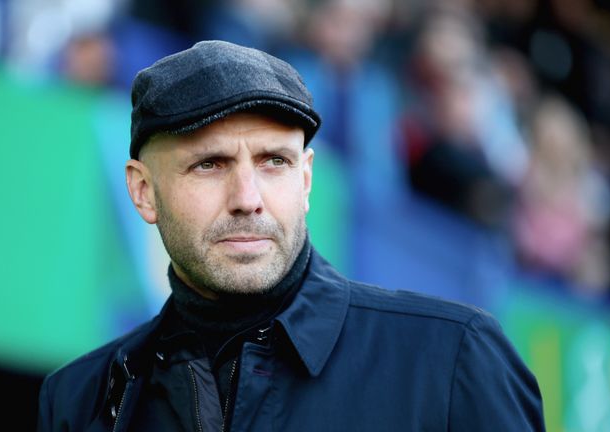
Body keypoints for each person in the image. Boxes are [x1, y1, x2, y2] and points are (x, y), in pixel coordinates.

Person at [37, 40, 544, 431]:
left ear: (305, 181)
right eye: (209, 164)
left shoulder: (450, 358)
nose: (247, 197)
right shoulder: (81, 399)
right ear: (143, 191)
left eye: (273, 162)